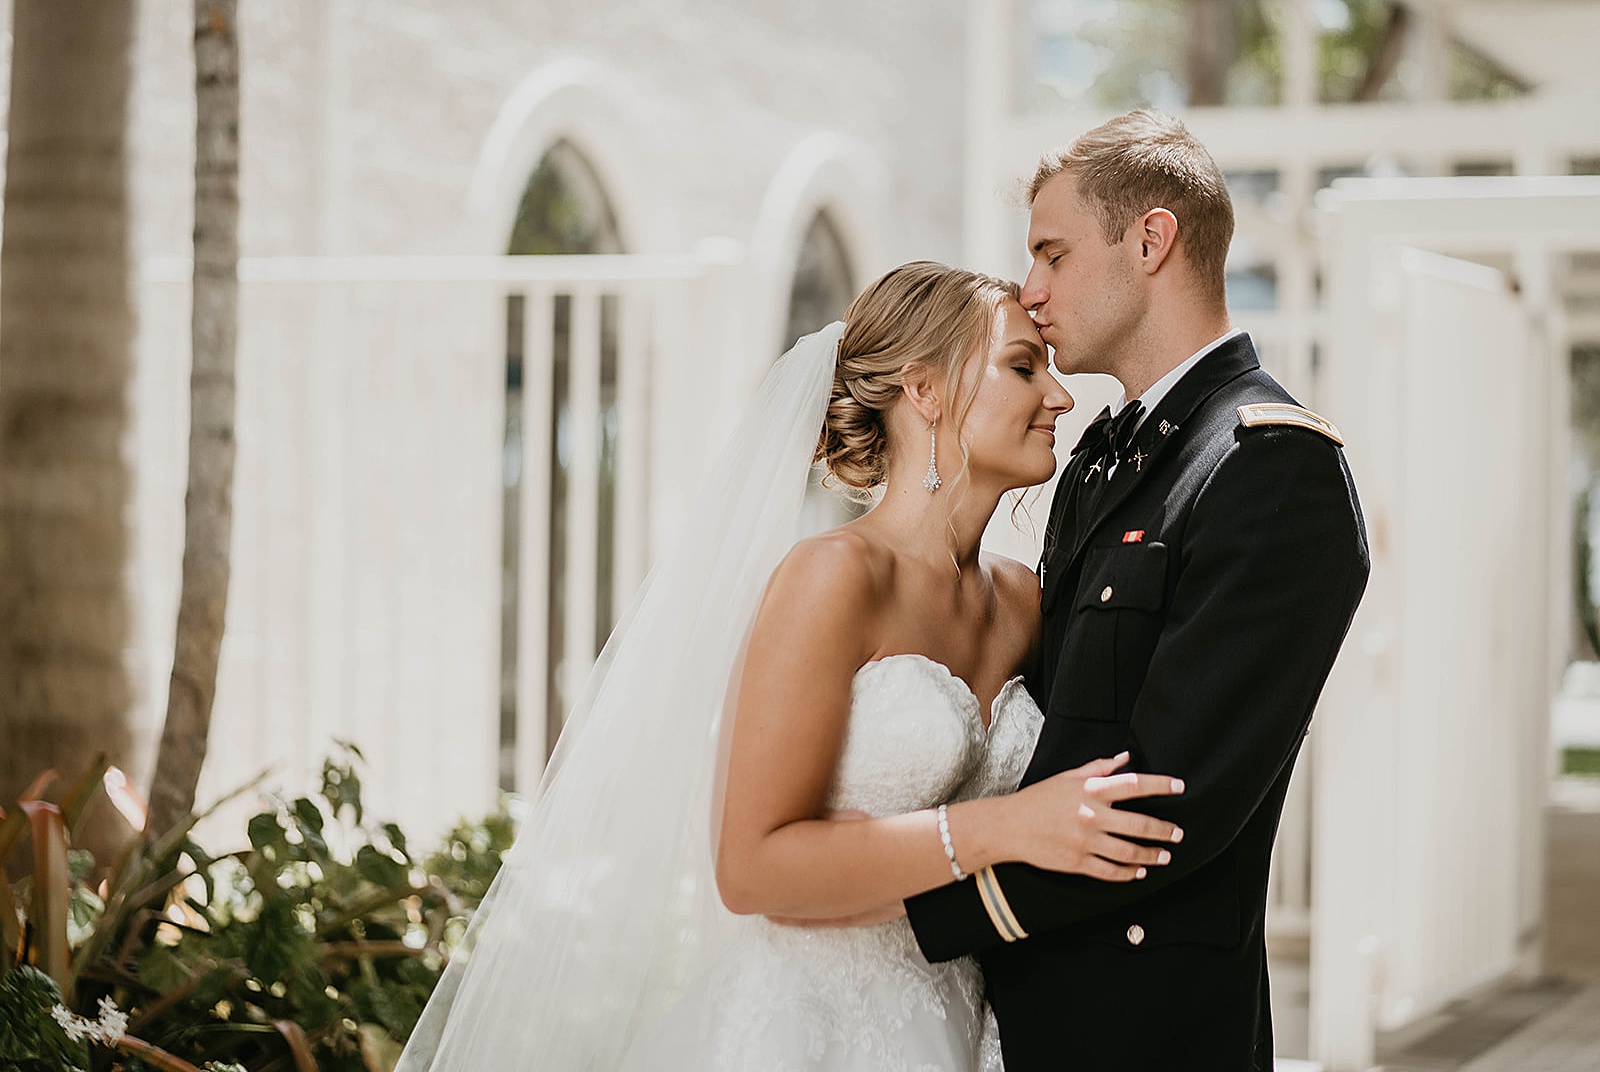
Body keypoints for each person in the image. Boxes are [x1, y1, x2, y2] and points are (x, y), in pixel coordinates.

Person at [394, 261, 1184, 1072]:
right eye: (1022, 367)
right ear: (924, 390)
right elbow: (751, 869)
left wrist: (872, 854)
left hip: (976, 1024)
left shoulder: (1022, 602)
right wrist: (1006, 827)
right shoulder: (833, 576)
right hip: (810, 1029)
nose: (1059, 397)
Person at [903, 111, 1371, 1071]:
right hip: (1018, 1010)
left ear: (1151, 241)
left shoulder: (1270, 467)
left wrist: (896, 905)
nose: (1030, 291)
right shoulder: (1104, 455)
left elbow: (1166, 802)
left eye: (1053, 254)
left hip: (1148, 1029)